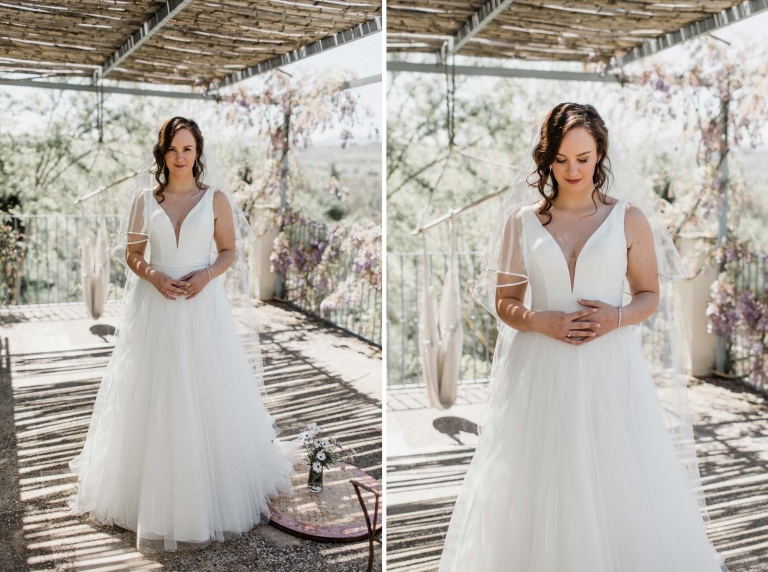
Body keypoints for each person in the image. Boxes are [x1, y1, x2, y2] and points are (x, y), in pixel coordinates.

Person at [438, 103, 728, 571]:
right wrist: (540, 321)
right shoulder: (522, 222)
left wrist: (616, 317)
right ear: (546, 159)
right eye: (561, 159)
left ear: (600, 155)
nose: (573, 170)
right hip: (538, 369)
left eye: (583, 158)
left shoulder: (629, 219)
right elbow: (505, 301)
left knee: (615, 477)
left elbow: (649, 295)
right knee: (536, 480)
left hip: (608, 369)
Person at [68, 117, 297, 552]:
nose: (180, 156)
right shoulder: (143, 200)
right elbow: (133, 255)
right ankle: (144, 494)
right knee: (150, 391)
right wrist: (154, 277)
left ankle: (208, 490)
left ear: (198, 152)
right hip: (153, 306)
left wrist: (206, 276)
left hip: (200, 305)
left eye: (188, 149)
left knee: (203, 389)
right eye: (173, 149)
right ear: (163, 153)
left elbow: (229, 250)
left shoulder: (216, 199)